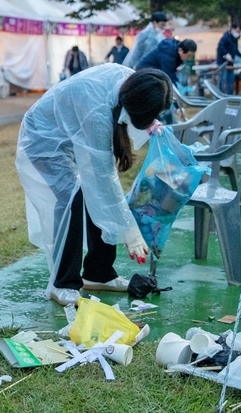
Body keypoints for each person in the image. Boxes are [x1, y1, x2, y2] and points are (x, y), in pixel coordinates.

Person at [15, 64, 172, 306]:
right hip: (43, 140)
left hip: (71, 133)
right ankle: (62, 283)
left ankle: (97, 274)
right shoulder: (96, 111)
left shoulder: (131, 83)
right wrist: (129, 231)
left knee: (93, 197)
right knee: (72, 200)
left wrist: (150, 123)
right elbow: (102, 176)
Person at [216, 23, 241, 94]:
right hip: (223, 63)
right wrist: (226, 54)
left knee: (230, 81)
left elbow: (235, 50)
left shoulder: (235, 39)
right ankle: (220, 94)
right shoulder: (225, 37)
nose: (238, 33)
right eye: (237, 31)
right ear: (233, 29)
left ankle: (229, 95)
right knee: (223, 80)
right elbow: (220, 47)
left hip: (231, 63)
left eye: (239, 32)